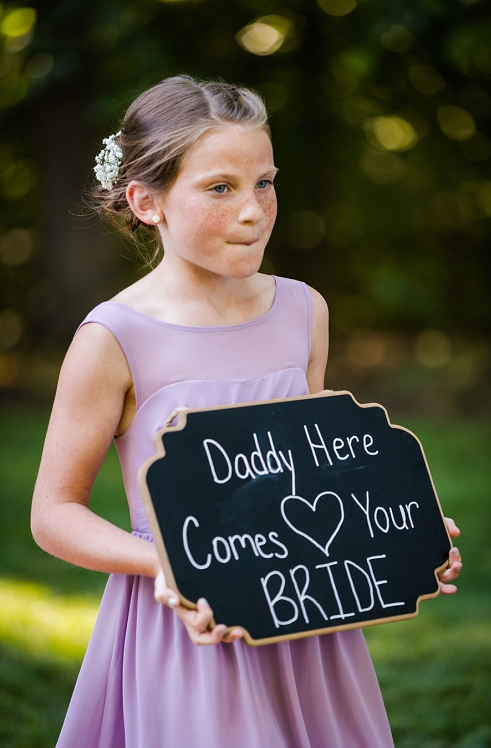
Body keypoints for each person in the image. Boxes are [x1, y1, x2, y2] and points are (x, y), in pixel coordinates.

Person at [30, 76, 462, 748]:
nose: (254, 210)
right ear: (149, 202)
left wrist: (397, 535)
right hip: (188, 626)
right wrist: (166, 564)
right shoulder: (114, 338)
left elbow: (318, 473)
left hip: (309, 634)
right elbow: (53, 513)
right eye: (220, 187)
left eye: (265, 182)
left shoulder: (303, 310)